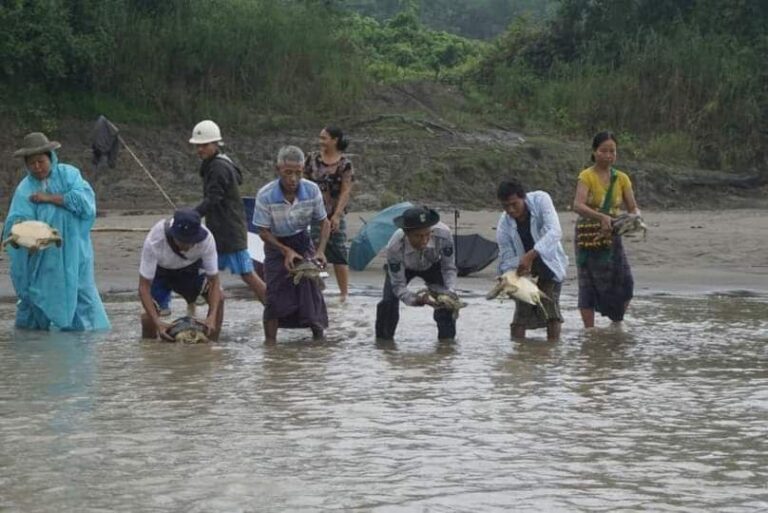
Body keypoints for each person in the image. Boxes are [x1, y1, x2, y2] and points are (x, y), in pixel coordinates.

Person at [3, 132, 110, 331]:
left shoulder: (68, 174)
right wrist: (24, 239)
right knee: (39, 293)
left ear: (50, 157)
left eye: (41, 161)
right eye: (32, 163)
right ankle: (38, 339)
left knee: (80, 290)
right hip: (43, 254)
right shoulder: (24, 189)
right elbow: (15, 221)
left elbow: (85, 202)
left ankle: (83, 336)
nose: (37, 167)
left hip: (74, 249)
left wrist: (48, 198)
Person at [253, 146, 331, 344]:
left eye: (298, 172)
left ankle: (319, 341)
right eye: (288, 173)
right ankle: (270, 345)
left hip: (302, 241)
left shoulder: (312, 190)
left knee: (311, 291)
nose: (293, 179)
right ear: (278, 169)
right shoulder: (265, 195)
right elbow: (262, 231)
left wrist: (321, 251)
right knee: (274, 296)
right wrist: (285, 250)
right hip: (275, 244)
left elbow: (324, 222)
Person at [188, 119, 266, 307]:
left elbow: (213, 198)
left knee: (246, 274)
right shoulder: (217, 163)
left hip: (229, 232)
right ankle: (200, 308)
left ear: (216, 144)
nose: (200, 150)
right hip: (221, 230)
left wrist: (193, 215)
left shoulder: (218, 168)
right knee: (203, 270)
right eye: (198, 146)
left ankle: (274, 309)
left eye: (204, 145)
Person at [572, 131, 640, 327]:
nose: (608, 155)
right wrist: (600, 216)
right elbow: (578, 205)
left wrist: (636, 217)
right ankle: (589, 330)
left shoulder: (622, 179)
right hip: (588, 236)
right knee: (588, 283)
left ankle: (617, 321)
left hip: (612, 235)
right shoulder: (586, 176)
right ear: (594, 152)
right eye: (604, 151)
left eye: (612, 151)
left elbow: (632, 206)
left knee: (625, 281)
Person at [496, 180, 568, 341]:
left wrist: (531, 255)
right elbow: (506, 258)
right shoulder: (503, 225)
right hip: (522, 271)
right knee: (521, 314)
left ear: (523, 197)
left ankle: (552, 350)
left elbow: (555, 231)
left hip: (548, 263)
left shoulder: (541, 200)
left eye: (514, 204)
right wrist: (518, 268)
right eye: (505, 206)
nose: (511, 210)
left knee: (551, 311)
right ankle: (518, 354)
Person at [375, 206, 458, 342]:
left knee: (446, 303)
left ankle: (446, 345)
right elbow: (398, 285)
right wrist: (415, 300)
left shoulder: (444, 235)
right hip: (405, 267)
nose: (424, 240)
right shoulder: (394, 246)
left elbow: (448, 268)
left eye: (427, 234)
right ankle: (384, 344)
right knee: (388, 303)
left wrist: (450, 291)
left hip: (433, 265)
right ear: (406, 234)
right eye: (418, 236)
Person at [139, 208, 223, 341]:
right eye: (183, 241)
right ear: (173, 234)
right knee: (147, 318)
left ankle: (212, 343)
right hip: (161, 273)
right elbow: (144, 287)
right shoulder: (155, 240)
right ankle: (149, 350)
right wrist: (157, 323)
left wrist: (211, 317)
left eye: (192, 241)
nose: (188, 246)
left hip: (192, 270)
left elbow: (214, 281)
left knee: (220, 299)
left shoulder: (207, 239)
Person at [304, 126, 354, 302]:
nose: (321, 141)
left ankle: (344, 295)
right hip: (313, 214)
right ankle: (317, 291)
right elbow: (304, 182)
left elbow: (346, 190)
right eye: (320, 137)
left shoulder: (344, 163)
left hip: (334, 214)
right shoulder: (312, 159)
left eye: (324, 138)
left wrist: (337, 215)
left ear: (335, 140)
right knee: (313, 251)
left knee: (339, 253)